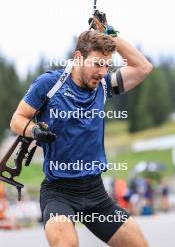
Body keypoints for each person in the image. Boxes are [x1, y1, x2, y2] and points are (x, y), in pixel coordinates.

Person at [10, 12, 152, 247]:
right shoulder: (50, 84)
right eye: (97, 64)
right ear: (78, 57)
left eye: (107, 66)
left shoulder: (103, 87)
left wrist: (109, 35)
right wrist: (34, 131)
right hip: (59, 193)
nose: (102, 72)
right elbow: (17, 119)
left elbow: (143, 67)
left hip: (96, 193)